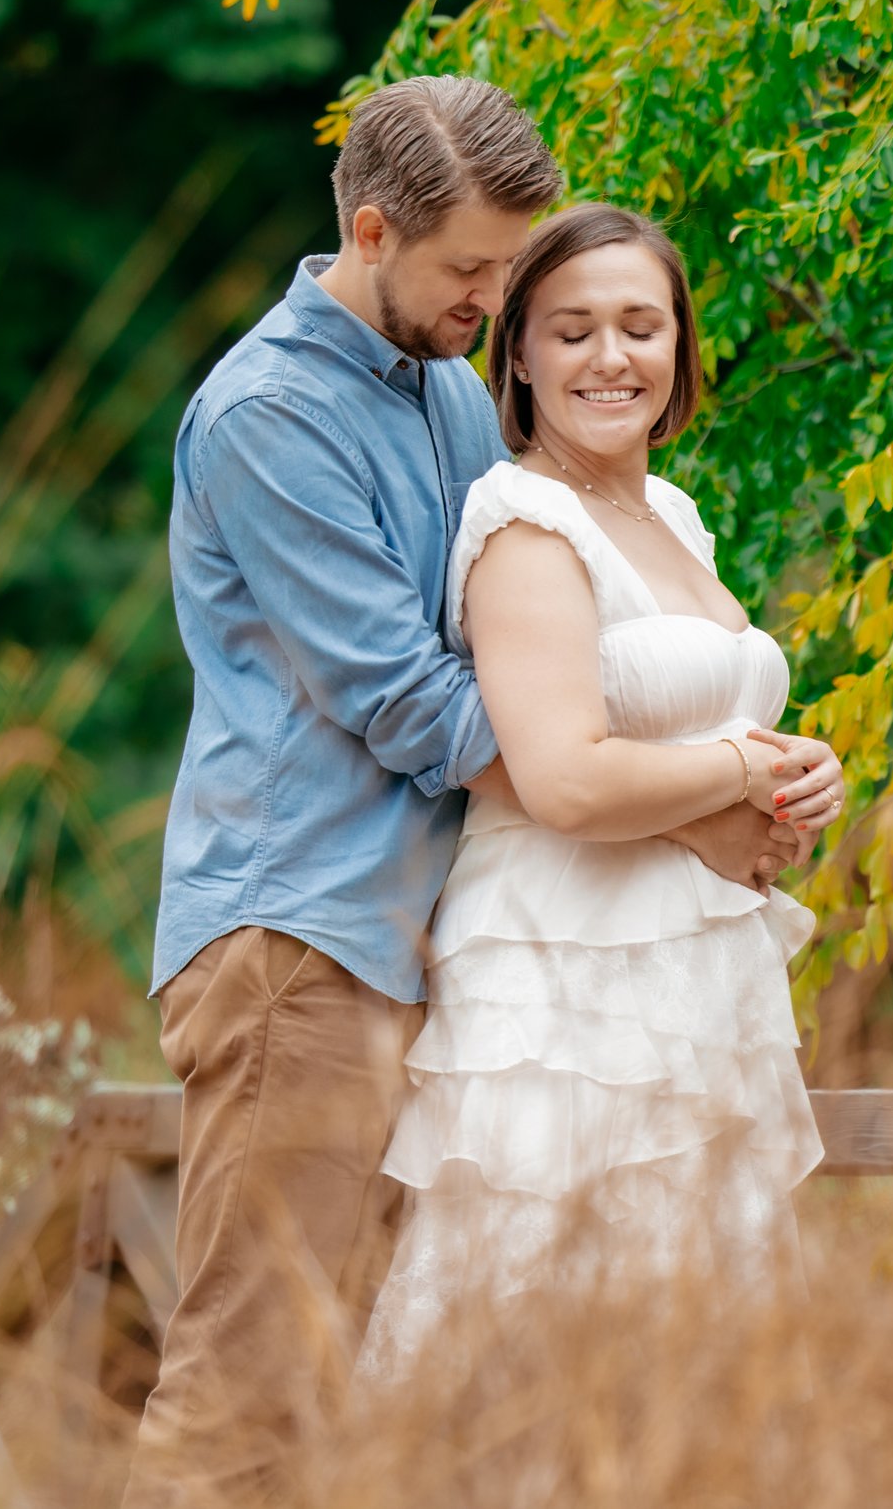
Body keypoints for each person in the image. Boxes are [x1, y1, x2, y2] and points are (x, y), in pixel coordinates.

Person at [129, 81, 803, 1507]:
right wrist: (686, 806)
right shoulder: (268, 413)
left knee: (386, 1391)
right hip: (298, 945)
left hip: (441, 956)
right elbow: (411, 699)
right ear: (373, 231)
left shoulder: (438, 377)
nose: (497, 302)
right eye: (474, 271)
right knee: (247, 1392)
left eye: (511, 269)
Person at [357, 201, 844, 1379]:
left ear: (679, 343)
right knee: (545, 1325)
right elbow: (565, 776)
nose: (610, 357)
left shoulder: (669, 512)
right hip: (563, 977)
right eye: (572, 331)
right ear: (516, 352)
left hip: (693, 974)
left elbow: (690, 725)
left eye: (641, 325)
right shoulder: (524, 520)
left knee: (696, 1347)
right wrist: (744, 767)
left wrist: (801, 775)